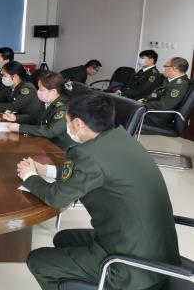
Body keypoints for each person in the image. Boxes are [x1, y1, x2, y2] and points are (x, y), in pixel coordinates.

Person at [17, 91, 179, 290]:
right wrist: (45, 170)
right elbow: (89, 172)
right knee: (63, 238)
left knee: (38, 261)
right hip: (156, 250)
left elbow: (57, 197)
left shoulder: (87, 154)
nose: (67, 127)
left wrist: (29, 177)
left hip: (132, 265)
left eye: (67, 121)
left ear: (78, 123)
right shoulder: (121, 138)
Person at [5, 72, 73, 150]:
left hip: (59, 149)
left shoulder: (63, 108)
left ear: (53, 91)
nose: (38, 91)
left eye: (41, 90)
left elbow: (50, 131)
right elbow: (35, 117)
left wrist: (20, 128)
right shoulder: (47, 101)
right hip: (45, 143)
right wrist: (15, 118)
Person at [140, 57, 191, 126]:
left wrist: (143, 104)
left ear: (174, 68)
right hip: (152, 111)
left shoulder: (180, 85)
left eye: (165, 66)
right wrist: (145, 99)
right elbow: (157, 94)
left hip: (156, 117)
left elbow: (164, 105)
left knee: (127, 113)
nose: (164, 68)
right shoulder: (171, 81)